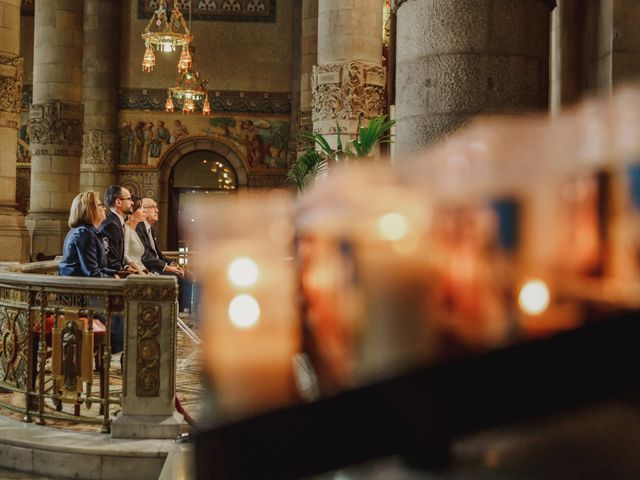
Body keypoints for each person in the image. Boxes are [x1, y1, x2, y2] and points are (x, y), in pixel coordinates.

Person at [136, 198, 192, 309]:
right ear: (144, 210)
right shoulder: (138, 228)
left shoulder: (151, 229)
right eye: (153, 207)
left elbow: (159, 255)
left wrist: (173, 264)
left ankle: (184, 312)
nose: (157, 210)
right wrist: (167, 268)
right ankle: (177, 314)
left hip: (157, 267)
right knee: (178, 278)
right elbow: (145, 256)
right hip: (148, 269)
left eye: (156, 207)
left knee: (186, 274)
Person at [58, 191, 118, 278]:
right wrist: (114, 279)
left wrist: (115, 273)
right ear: (90, 209)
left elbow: (99, 267)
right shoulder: (84, 233)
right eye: (100, 205)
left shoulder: (89, 231)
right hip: (76, 287)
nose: (104, 209)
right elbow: (91, 273)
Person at [98, 185, 135, 273]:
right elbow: (110, 260)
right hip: (112, 277)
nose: (132, 203)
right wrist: (123, 270)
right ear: (118, 202)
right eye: (129, 199)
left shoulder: (116, 222)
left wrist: (125, 267)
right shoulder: (111, 225)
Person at [124, 196, 148, 275]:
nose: (144, 211)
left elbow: (138, 259)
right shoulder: (126, 230)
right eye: (140, 208)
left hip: (141, 270)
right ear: (132, 211)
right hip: (133, 273)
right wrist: (140, 271)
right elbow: (125, 255)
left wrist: (145, 271)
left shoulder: (135, 231)